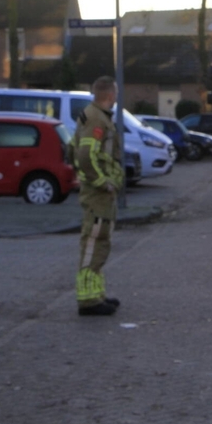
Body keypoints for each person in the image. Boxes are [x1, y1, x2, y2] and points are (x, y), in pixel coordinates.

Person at [71, 76, 124, 316]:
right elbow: (85, 155)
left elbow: (74, 149)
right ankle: (88, 300)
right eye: (116, 93)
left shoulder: (95, 116)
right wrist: (103, 182)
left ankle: (96, 294)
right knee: (94, 243)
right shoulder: (96, 119)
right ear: (110, 95)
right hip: (98, 194)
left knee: (100, 243)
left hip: (100, 194)